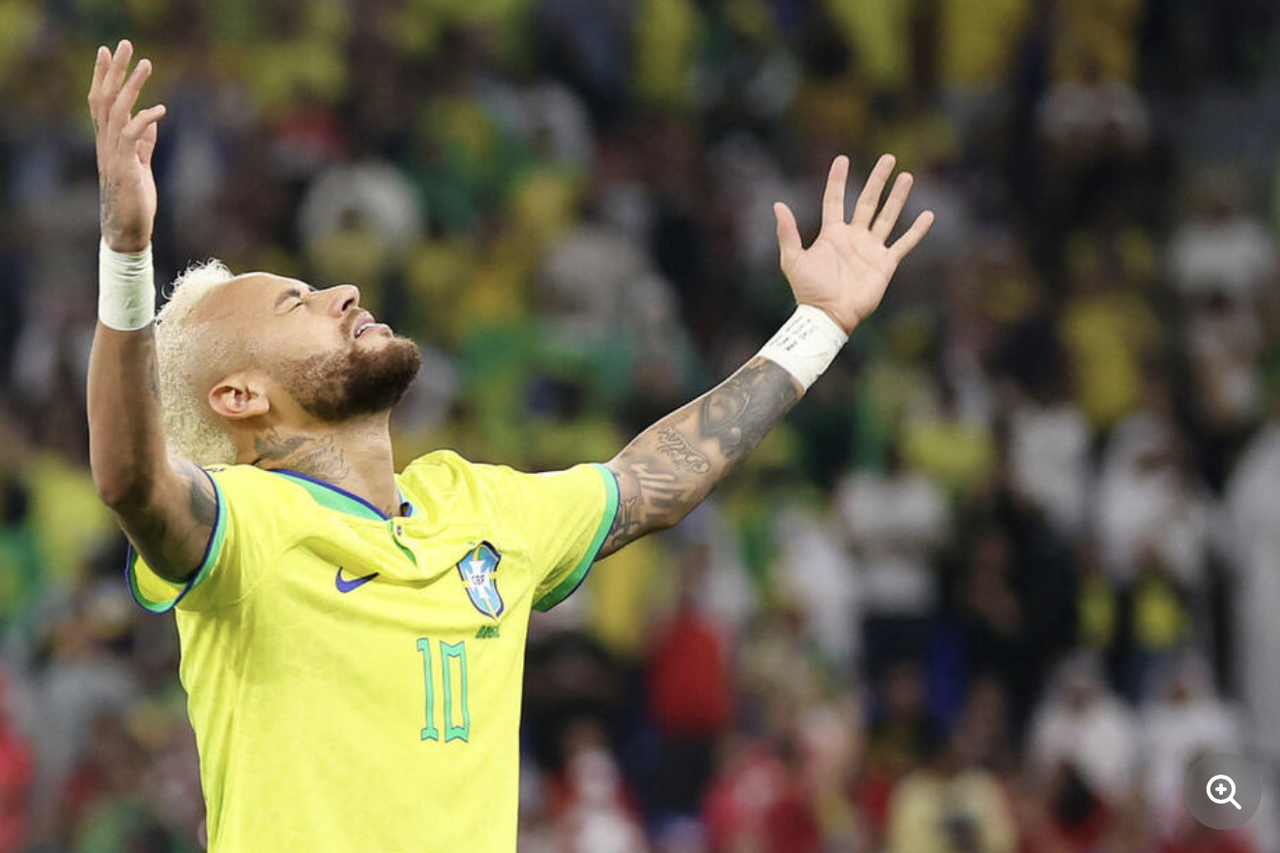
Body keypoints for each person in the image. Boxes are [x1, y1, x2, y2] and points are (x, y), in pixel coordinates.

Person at [84, 40, 933, 853]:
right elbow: (131, 478)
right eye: (293, 303)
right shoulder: (243, 529)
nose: (342, 290)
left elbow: (652, 478)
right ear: (239, 397)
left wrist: (818, 327)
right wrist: (127, 253)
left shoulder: (477, 505)